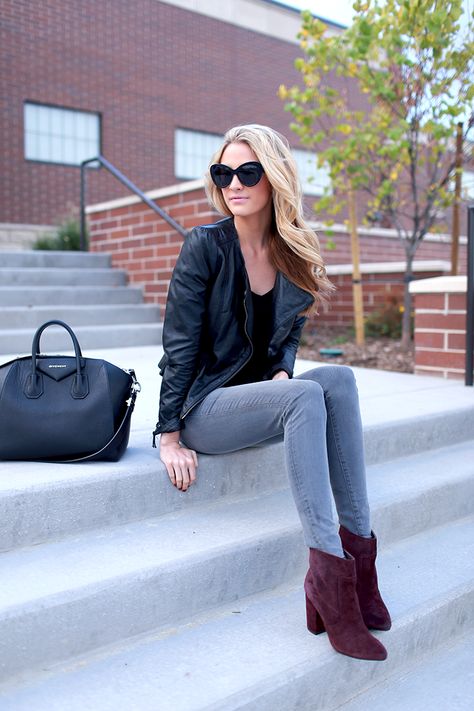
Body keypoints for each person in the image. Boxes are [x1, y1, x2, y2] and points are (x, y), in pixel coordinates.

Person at [153, 124, 391, 661]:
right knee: (305, 398)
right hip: (205, 407)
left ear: (274, 178)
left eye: (247, 172)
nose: (233, 184)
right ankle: (328, 579)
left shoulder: (293, 253)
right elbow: (180, 345)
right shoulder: (205, 246)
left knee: (337, 379)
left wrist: (281, 369)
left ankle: (361, 564)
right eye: (223, 173)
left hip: (257, 399)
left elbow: (288, 337)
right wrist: (169, 434)